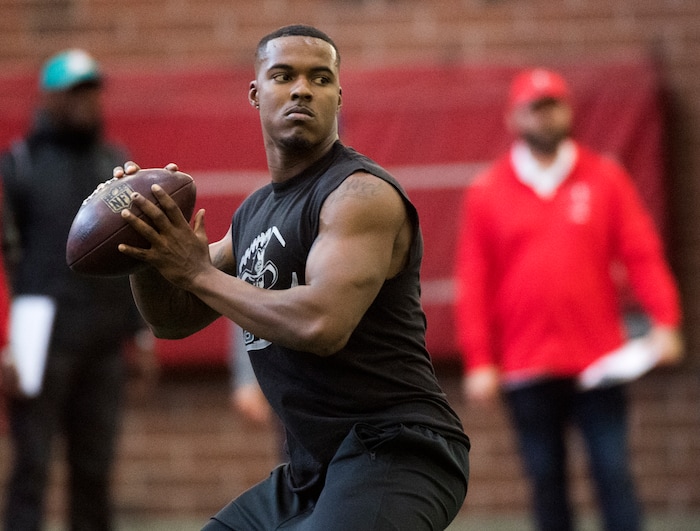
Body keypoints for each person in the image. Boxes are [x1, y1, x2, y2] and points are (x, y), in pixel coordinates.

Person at [113, 24, 470, 531]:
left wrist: (194, 271)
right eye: (284, 75)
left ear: (338, 96)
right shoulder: (254, 214)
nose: (302, 88)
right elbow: (170, 320)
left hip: (399, 450)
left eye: (320, 79)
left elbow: (322, 325)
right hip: (313, 469)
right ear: (256, 94)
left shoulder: (359, 196)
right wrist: (143, 244)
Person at [454, 68, 683, 531]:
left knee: (613, 473)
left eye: (553, 105)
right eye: (534, 109)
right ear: (514, 118)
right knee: (545, 480)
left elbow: (642, 255)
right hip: (526, 366)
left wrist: (666, 320)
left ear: (568, 111)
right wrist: (480, 359)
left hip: (599, 362)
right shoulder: (487, 192)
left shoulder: (605, 179)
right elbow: (474, 281)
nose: (545, 117)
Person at [0, 49, 157, 531]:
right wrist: (7, 342)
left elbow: (136, 255)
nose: (86, 100)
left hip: (103, 339)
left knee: (94, 471)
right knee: (31, 466)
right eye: (75, 90)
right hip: (35, 335)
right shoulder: (19, 165)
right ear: (50, 97)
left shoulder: (116, 164)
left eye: (92, 89)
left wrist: (143, 334)